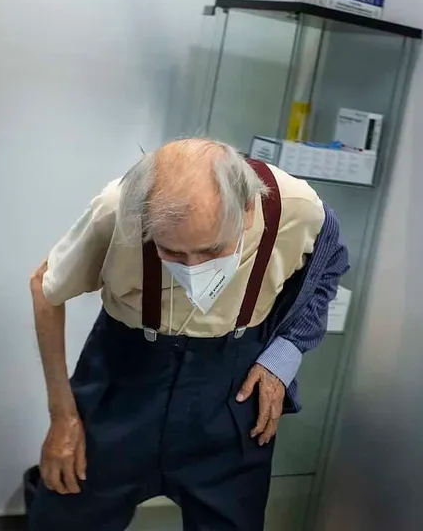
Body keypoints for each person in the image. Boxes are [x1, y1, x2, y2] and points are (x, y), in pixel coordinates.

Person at [29, 138, 350, 530]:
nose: (194, 268)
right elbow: (46, 288)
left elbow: (326, 274)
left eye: (211, 250)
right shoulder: (119, 208)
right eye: (173, 253)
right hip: (124, 377)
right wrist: (61, 415)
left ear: (247, 210)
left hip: (230, 388)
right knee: (65, 516)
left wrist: (285, 353)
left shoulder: (296, 209)